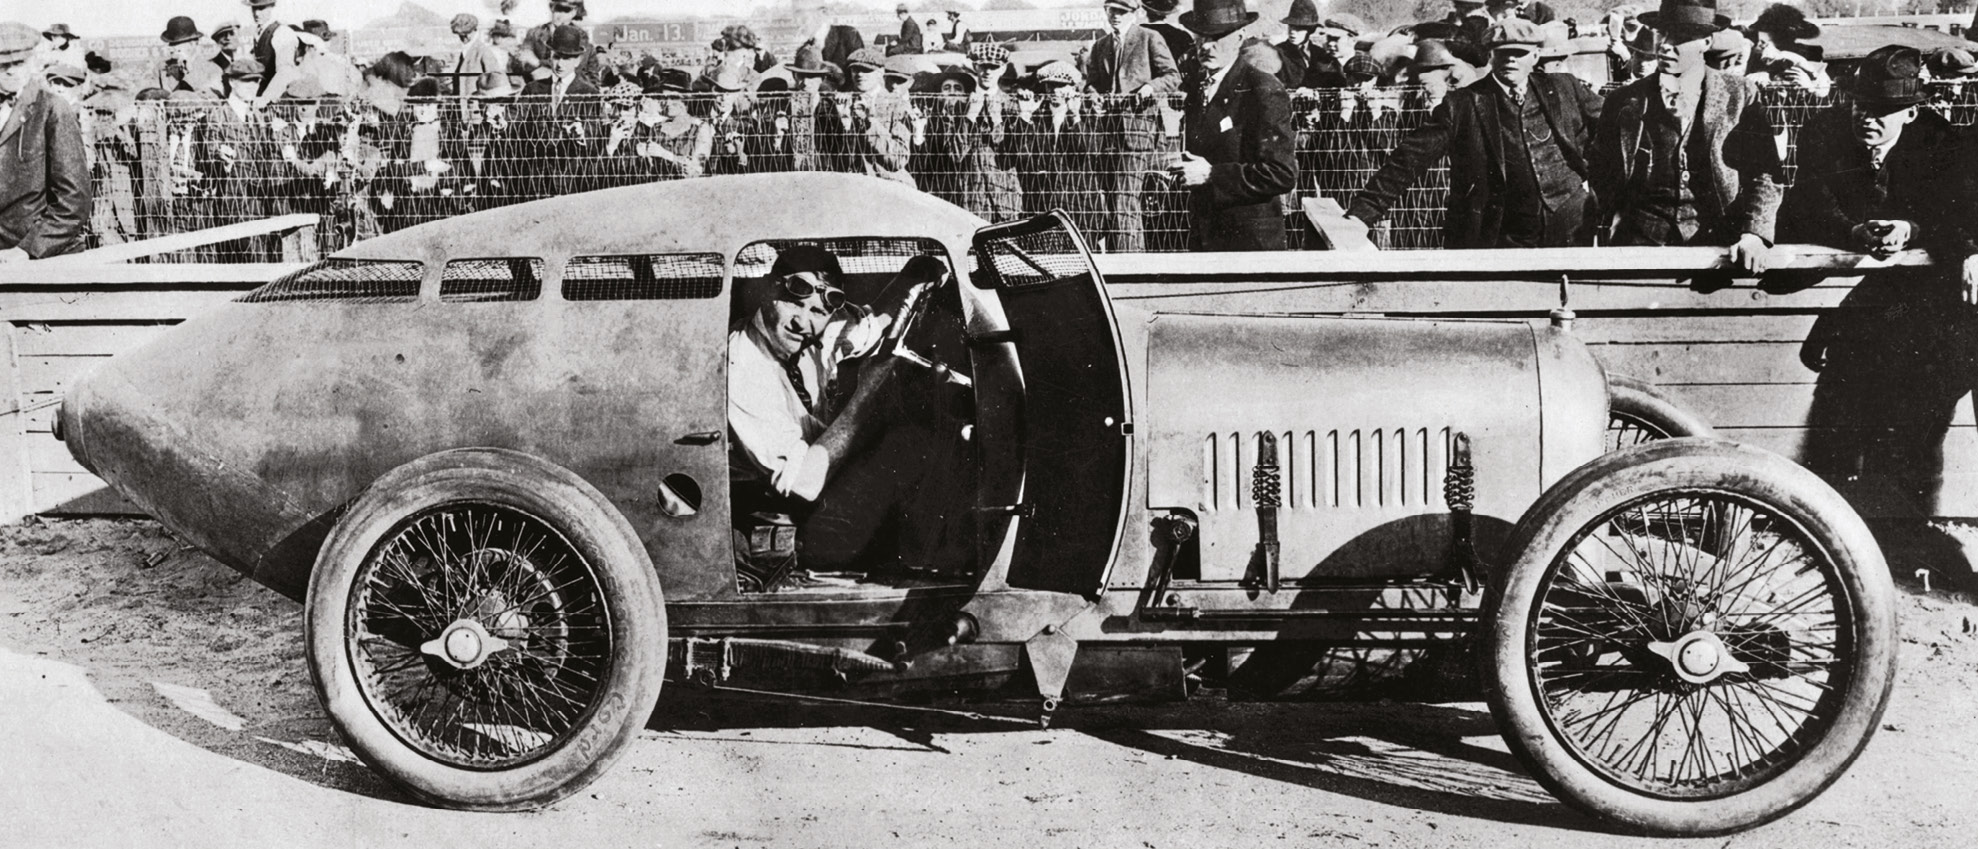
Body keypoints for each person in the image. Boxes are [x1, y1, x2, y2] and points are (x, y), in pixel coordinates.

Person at [727, 245, 953, 576]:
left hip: (822, 489)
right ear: (766, 291)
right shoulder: (742, 364)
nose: (801, 322)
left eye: (818, 311)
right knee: (907, 447)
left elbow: (875, 324)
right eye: (793, 302)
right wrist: (868, 398)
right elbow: (804, 483)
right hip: (780, 525)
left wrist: (915, 277)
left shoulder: (820, 332)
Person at [1348, 19, 1599, 249]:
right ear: (1491, 56)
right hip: (1504, 231)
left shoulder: (1565, 88)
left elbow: (1615, 124)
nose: (1511, 60)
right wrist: (1363, 213)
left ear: (1535, 56)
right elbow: (1409, 158)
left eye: (1519, 53)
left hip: (1571, 226)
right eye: (1503, 54)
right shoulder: (1462, 104)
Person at [1590, 0, 1781, 274]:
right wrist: (1619, 218)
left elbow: (1766, 172)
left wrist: (1753, 234)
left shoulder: (1741, 96)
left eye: (1679, 38)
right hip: (1640, 243)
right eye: (1661, 34)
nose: (1665, 45)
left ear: (1706, 42)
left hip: (1719, 242)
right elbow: (1601, 170)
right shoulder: (1623, 101)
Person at [1169, 0, 1296, 252]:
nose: (1206, 46)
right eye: (1201, 36)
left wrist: (1211, 175)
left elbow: (1281, 174)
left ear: (1239, 37)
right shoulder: (1196, 89)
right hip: (1206, 236)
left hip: (1249, 245)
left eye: (1216, 37)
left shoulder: (1262, 89)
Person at [1085, 0, 1179, 253]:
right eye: (1110, 11)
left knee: (1125, 198)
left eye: (1121, 12)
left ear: (1135, 13)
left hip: (1137, 129)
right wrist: (1093, 96)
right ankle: (1124, 257)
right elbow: (1091, 83)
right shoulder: (1100, 45)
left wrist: (1150, 87)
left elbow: (1172, 76)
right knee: (1111, 200)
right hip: (1106, 133)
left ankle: (1128, 261)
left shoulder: (1149, 37)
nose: (1115, 16)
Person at [0, 22, 91, 261]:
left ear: (32, 63)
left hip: (39, 257)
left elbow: (74, 201)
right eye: (2, 65)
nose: (10, 71)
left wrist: (29, 248)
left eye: (17, 63)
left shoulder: (51, 109)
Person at [843, 47, 915, 187]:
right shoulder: (844, 102)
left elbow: (898, 159)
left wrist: (871, 123)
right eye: (855, 70)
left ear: (880, 73)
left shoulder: (896, 105)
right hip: (852, 186)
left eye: (867, 70)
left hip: (888, 184)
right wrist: (843, 120)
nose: (860, 75)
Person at [1745, 3, 1827, 95]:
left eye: (1764, 43)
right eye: (1760, 42)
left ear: (1784, 42)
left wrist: (1810, 87)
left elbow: (1824, 90)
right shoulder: (1756, 58)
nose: (1760, 46)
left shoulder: (1806, 55)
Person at [1275, 0, 1347, 91]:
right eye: (1291, 26)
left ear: (1310, 30)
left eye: (1299, 28)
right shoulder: (1276, 53)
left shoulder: (1322, 55)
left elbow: (1337, 84)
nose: (1292, 32)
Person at [245, 0, 306, 108]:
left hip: (280, 98)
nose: (257, 13)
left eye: (262, 8)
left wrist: (266, 97)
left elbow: (285, 70)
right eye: (254, 8)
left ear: (272, 7)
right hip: (263, 98)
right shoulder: (258, 33)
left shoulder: (282, 33)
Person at [524, 1, 600, 86]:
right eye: (557, 10)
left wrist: (538, 63)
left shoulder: (579, 36)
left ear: (574, 12)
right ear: (551, 9)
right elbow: (522, 60)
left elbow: (573, 66)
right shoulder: (535, 33)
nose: (560, 16)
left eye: (565, 11)